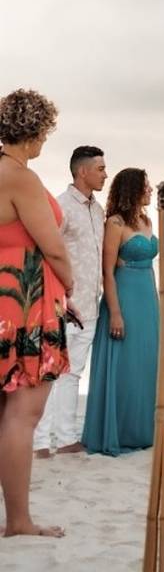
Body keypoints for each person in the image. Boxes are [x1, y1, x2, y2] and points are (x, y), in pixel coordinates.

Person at [0, 88, 72, 537]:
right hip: (26, 302)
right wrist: (72, 283)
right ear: (35, 132)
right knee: (22, 415)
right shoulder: (19, 177)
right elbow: (53, 247)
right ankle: (19, 521)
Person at [81, 168, 164, 456]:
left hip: (148, 297)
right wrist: (115, 312)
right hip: (125, 296)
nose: (151, 190)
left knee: (150, 362)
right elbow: (108, 271)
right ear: (132, 189)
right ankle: (124, 430)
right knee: (127, 364)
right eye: (146, 186)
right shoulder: (115, 223)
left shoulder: (147, 219)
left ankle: (150, 430)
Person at [34, 146, 107, 458]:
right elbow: (45, 251)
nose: (105, 174)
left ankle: (65, 439)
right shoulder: (61, 206)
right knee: (49, 372)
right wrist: (59, 295)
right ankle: (39, 443)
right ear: (82, 172)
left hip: (91, 305)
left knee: (73, 373)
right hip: (63, 305)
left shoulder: (98, 209)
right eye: (101, 168)